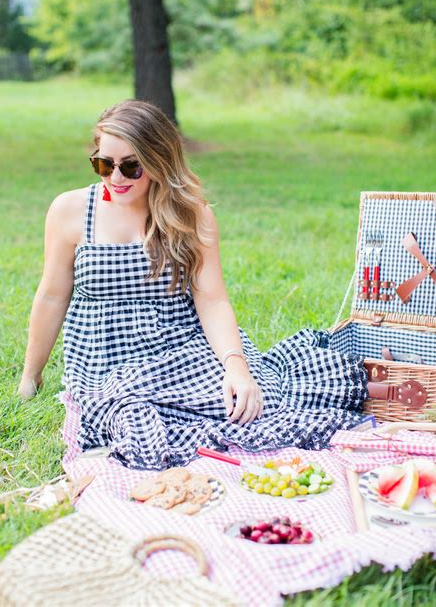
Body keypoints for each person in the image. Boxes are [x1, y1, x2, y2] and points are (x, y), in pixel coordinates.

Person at [18, 99, 368, 469]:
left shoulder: (192, 214)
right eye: (104, 164)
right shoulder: (70, 211)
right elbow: (53, 296)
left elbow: (212, 300)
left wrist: (236, 366)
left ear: (158, 161)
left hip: (180, 348)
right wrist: (30, 376)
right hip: (106, 362)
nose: (116, 178)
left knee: (244, 405)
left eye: (131, 166)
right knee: (132, 414)